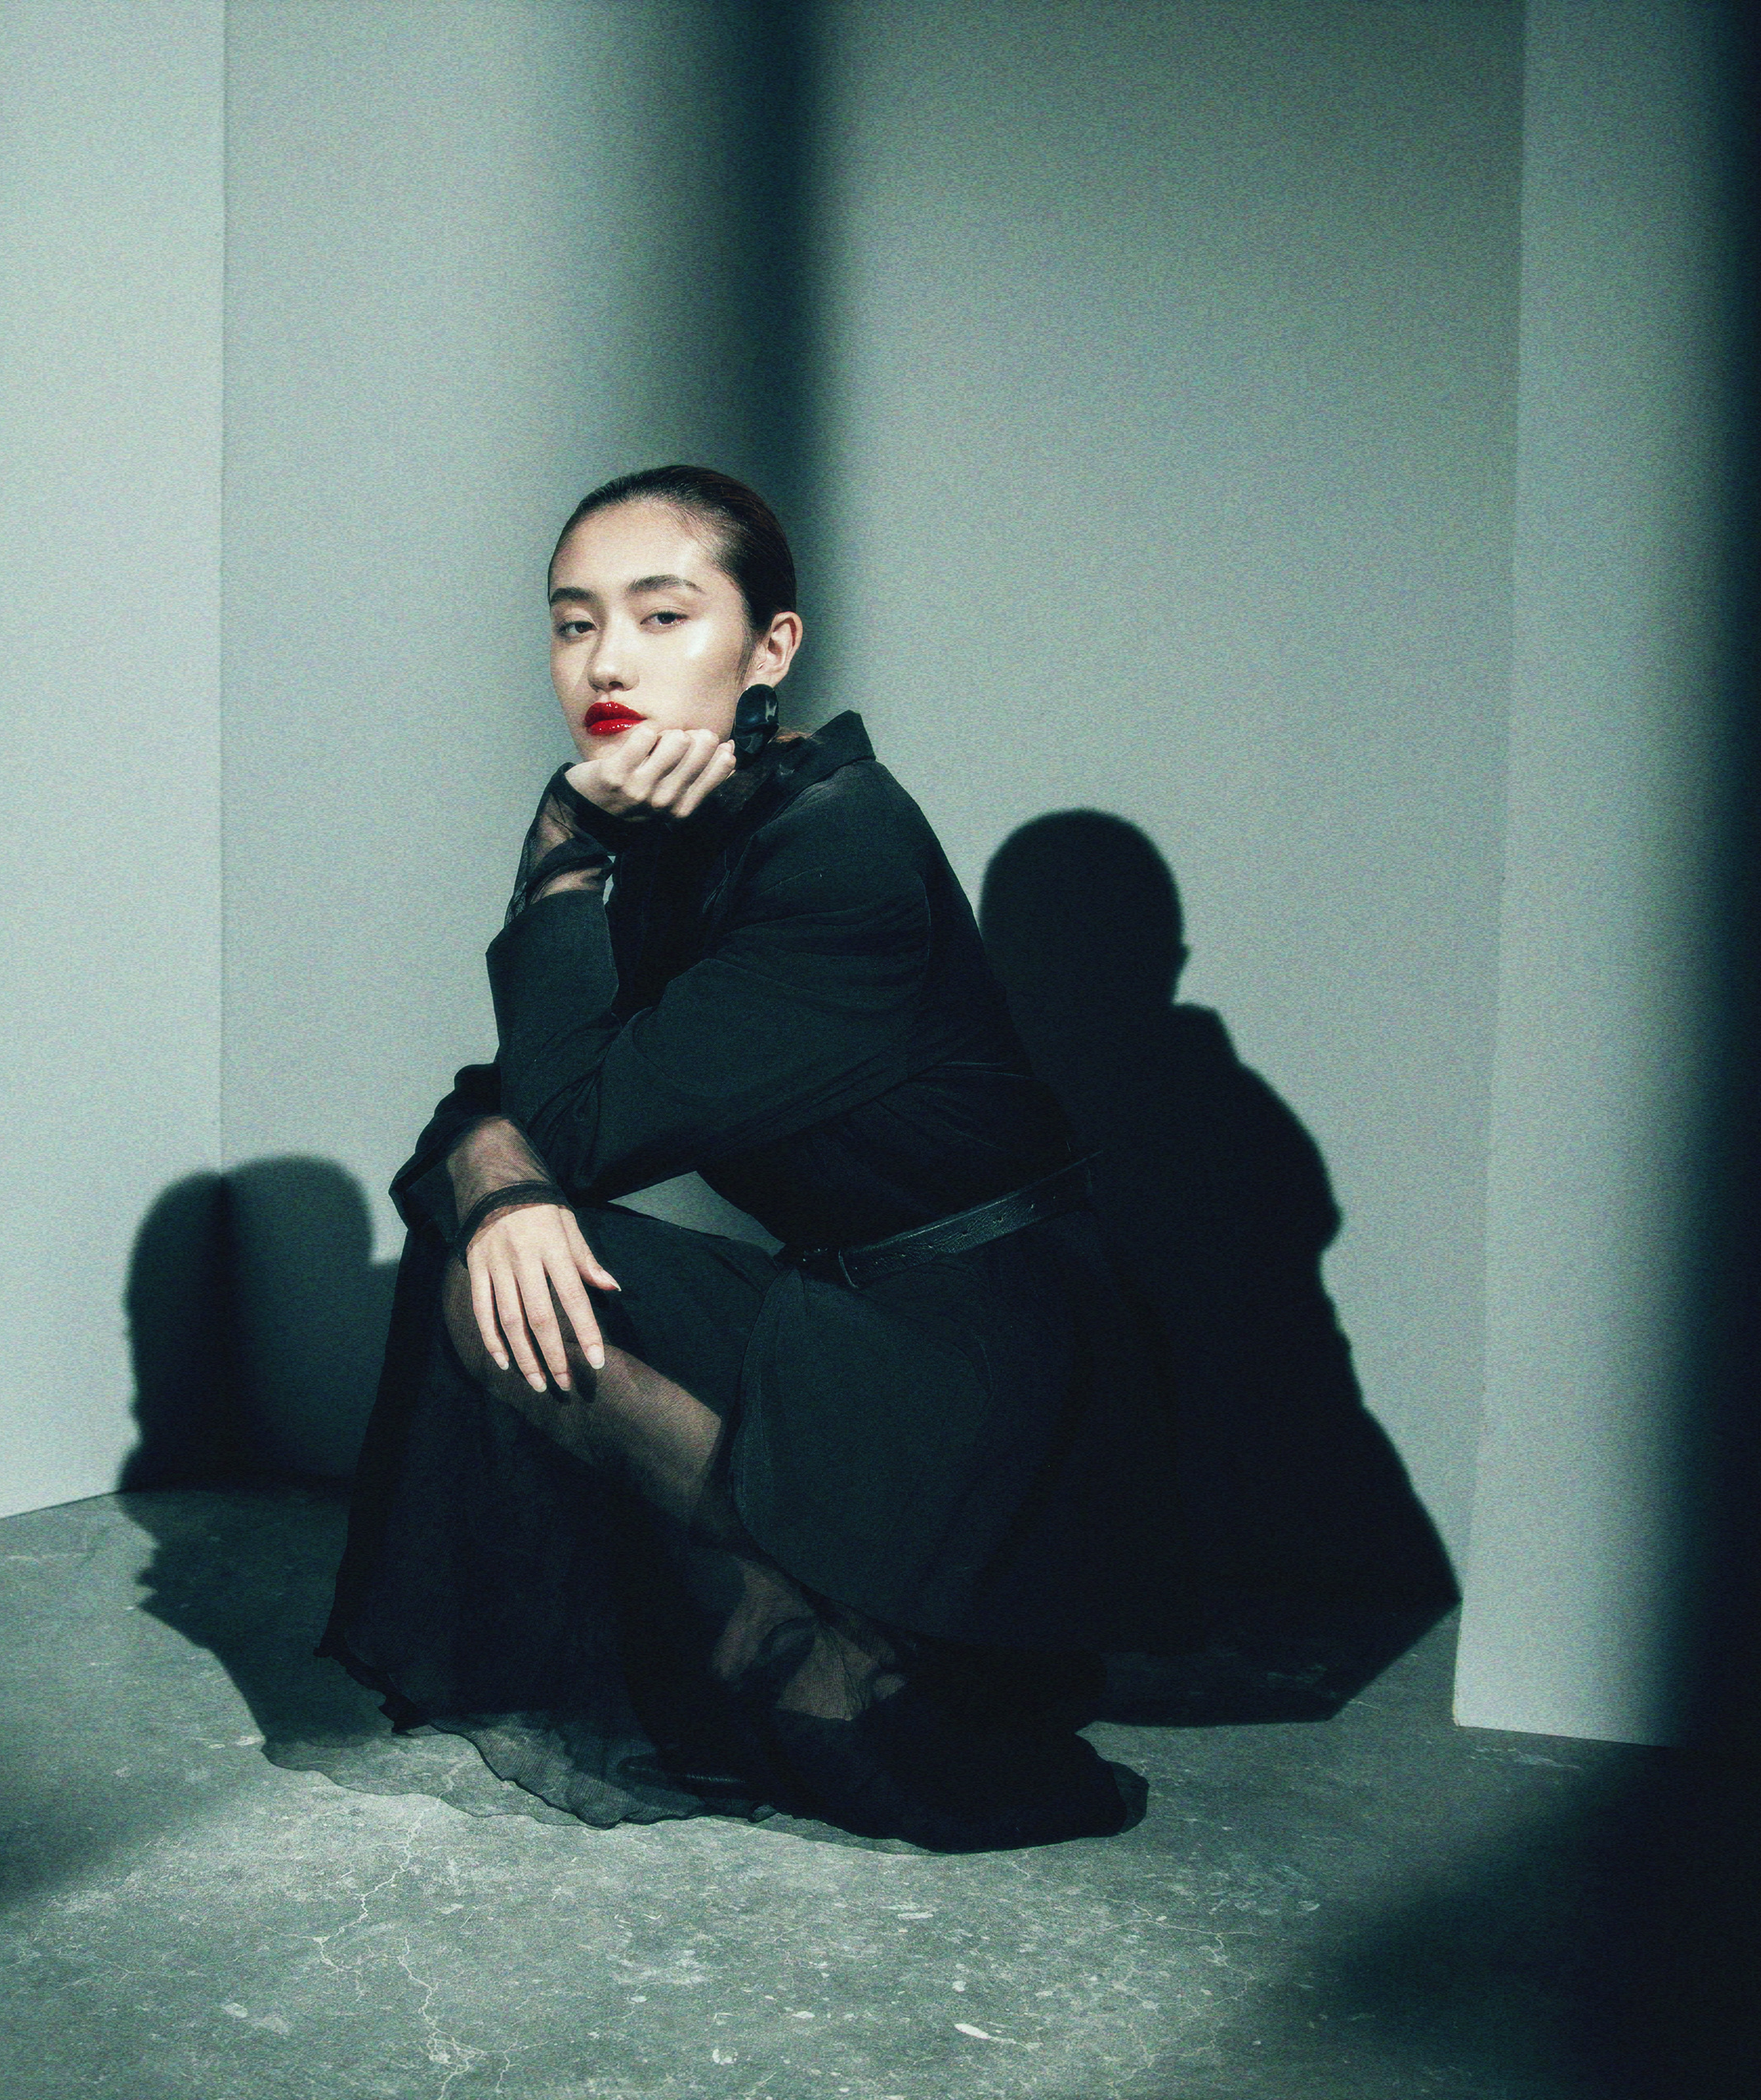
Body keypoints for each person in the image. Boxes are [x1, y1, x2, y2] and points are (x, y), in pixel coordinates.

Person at [320, 466, 1199, 1851]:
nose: (607, 662)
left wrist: (559, 853)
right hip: (866, 1322)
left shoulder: (836, 851)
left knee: (511, 1276)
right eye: (573, 623)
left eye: (662, 616)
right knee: (491, 1248)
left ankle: (842, 1647)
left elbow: (577, 1124)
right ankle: (800, 1614)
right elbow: (514, 1101)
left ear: (770, 647)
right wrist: (500, 1188)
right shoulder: (694, 839)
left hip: (991, 1376)